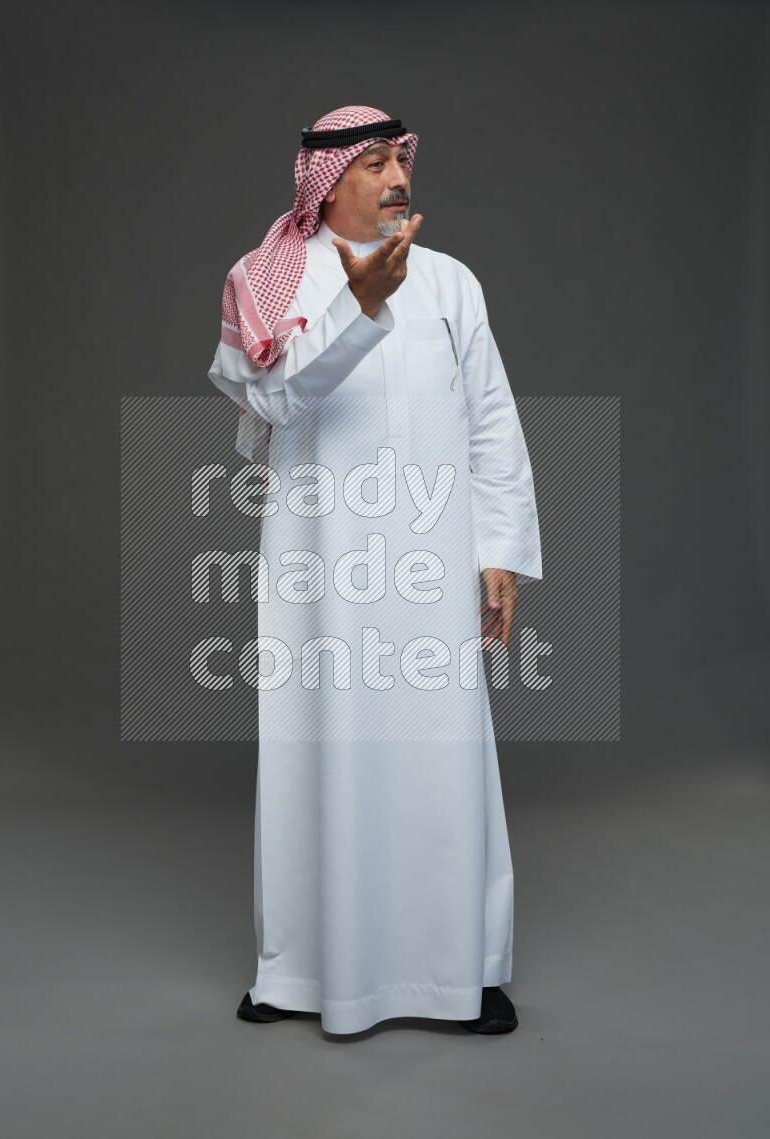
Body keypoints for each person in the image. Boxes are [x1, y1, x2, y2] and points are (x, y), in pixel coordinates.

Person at [207, 105, 542, 1035]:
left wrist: (500, 549)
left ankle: (460, 972)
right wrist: (358, 307)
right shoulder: (264, 280)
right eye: (376, 164)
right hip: (322, 566)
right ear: (325, 184)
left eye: (403, 160)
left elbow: (490, 417)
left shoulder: (450, 281)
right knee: (317, 742)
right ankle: (300, 973)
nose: (398, 178)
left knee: (442, 748)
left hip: (433, 559)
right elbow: (273, 396)